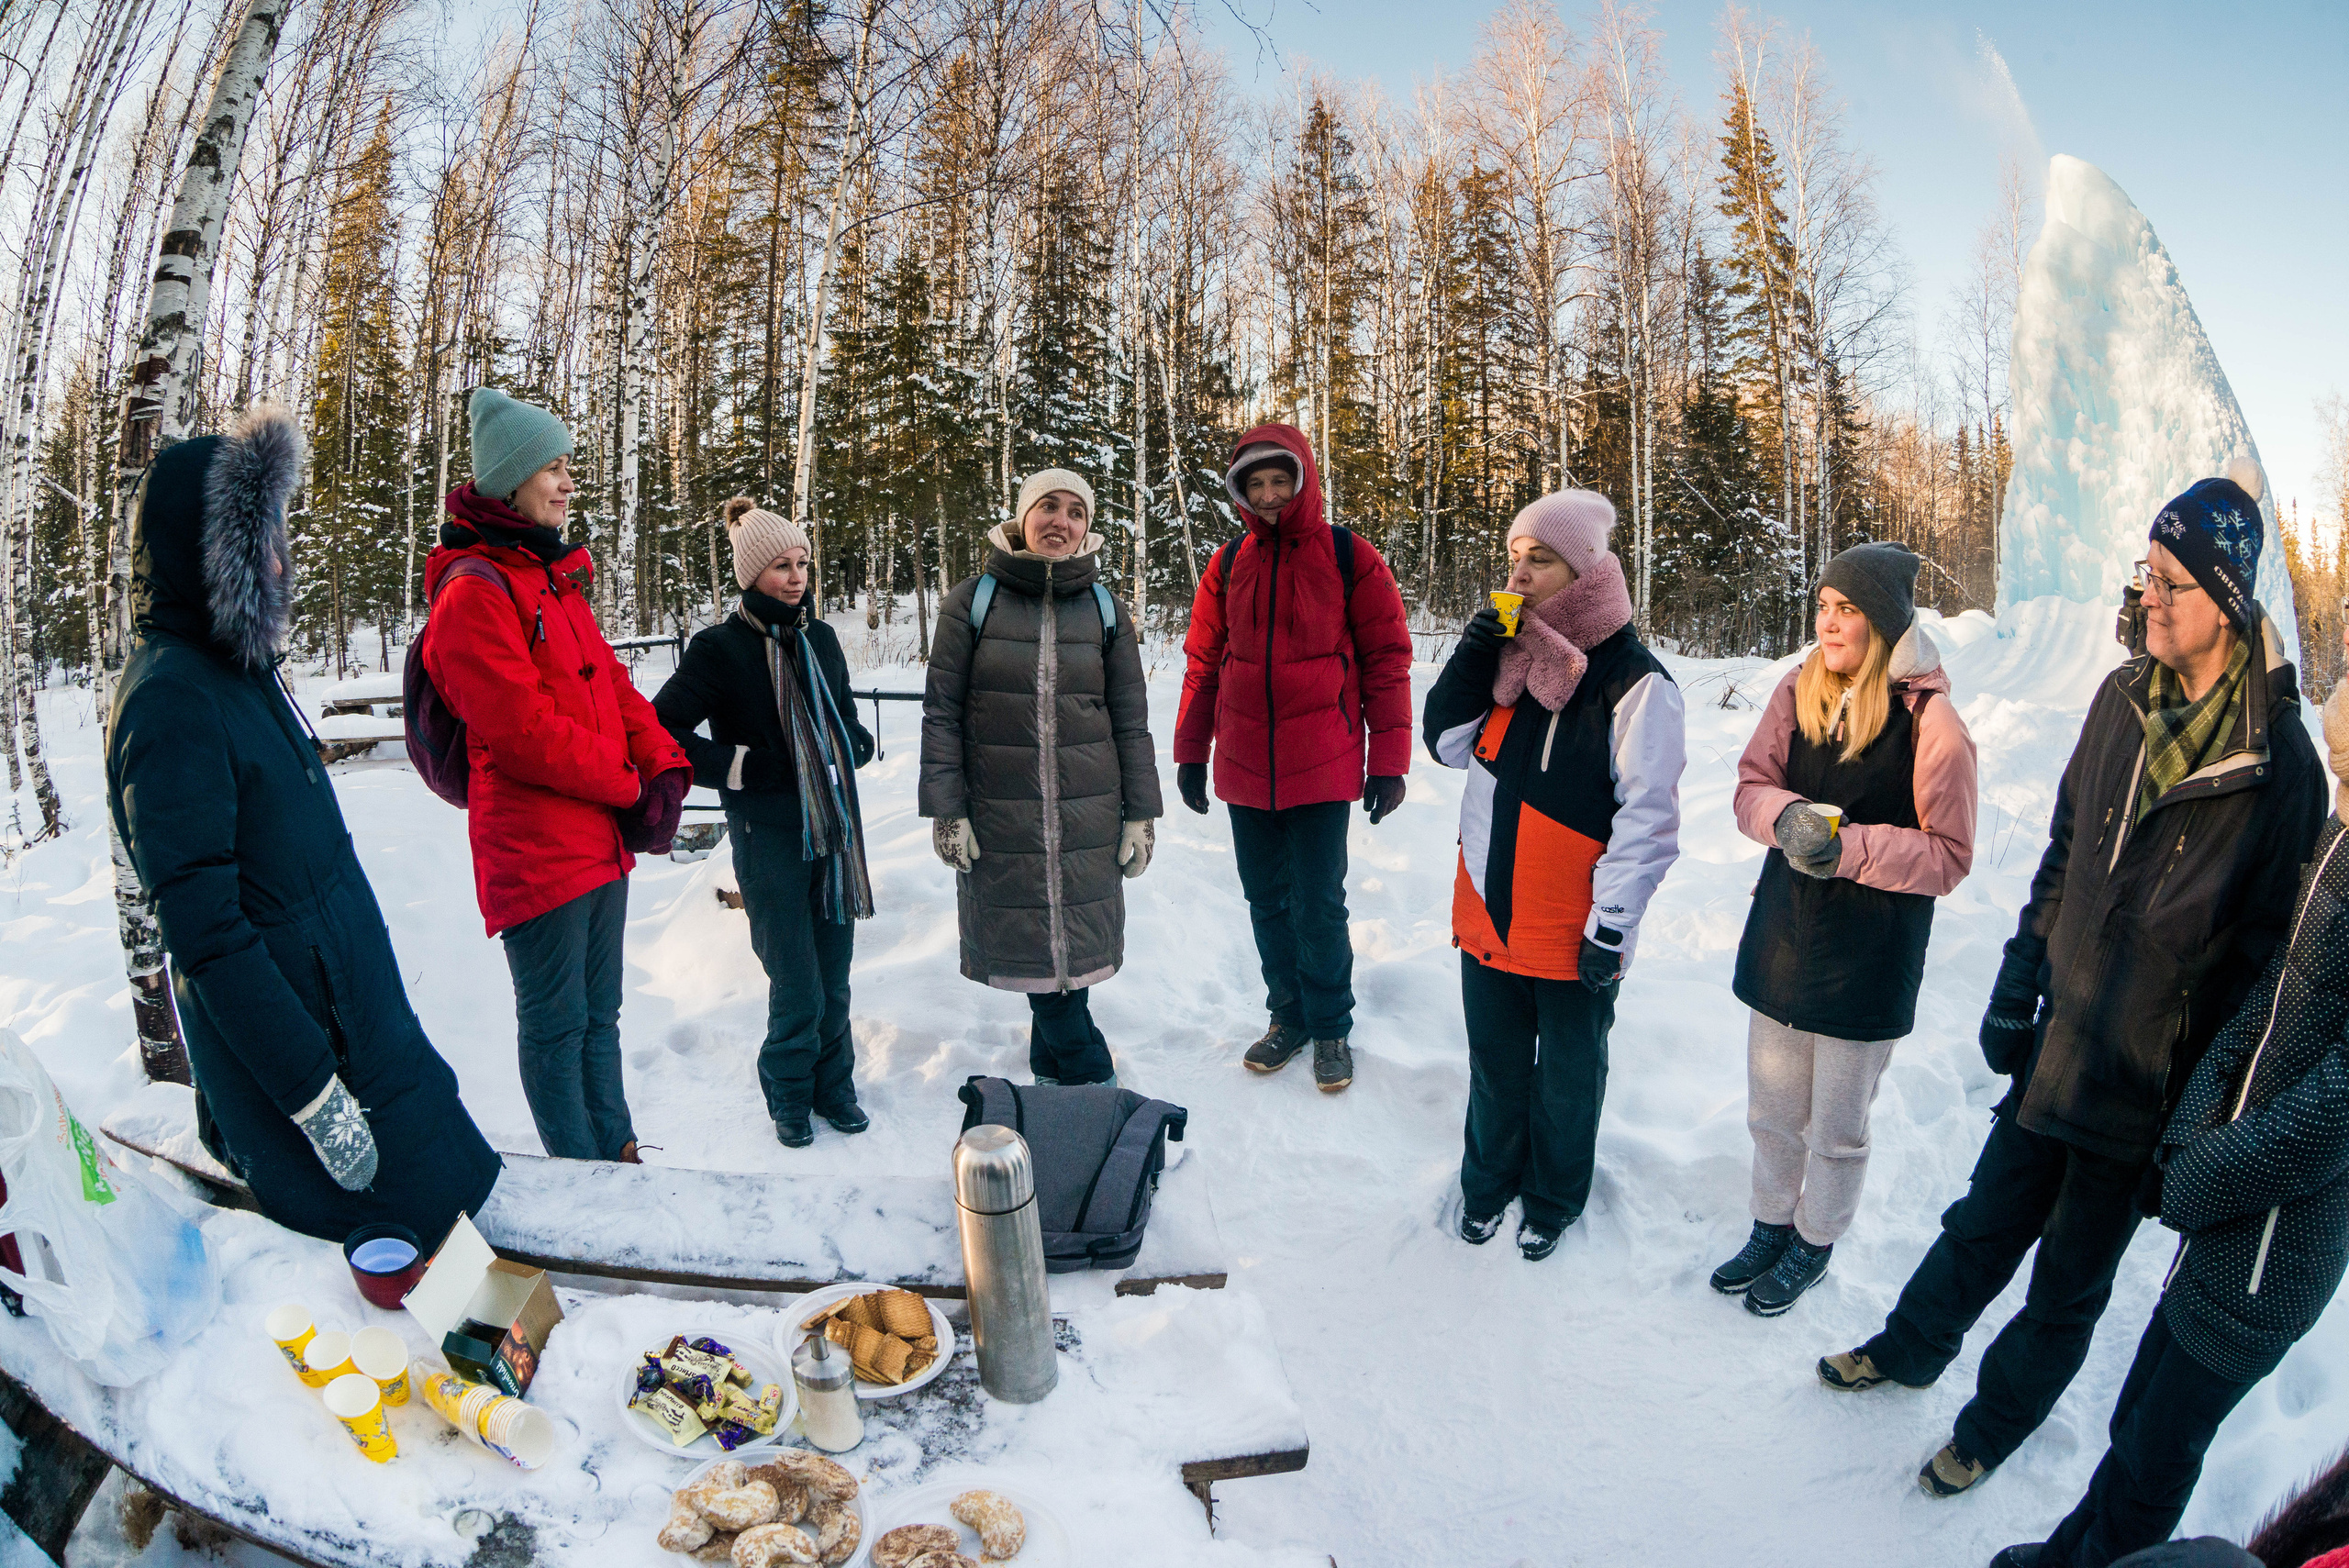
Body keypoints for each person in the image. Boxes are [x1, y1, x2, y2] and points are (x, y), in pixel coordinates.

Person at [1818, 467, 2324, 1502]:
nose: (2145, 598)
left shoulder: (2280, 766)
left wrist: (2198, 1111)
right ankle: (1909, 1345)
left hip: (2146, 1081)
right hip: (2064, 1036)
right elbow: (2063, 851)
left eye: (2169, 582)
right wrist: (2018, 977)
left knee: (2065, 1285)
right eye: (2143, 573)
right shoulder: (2121, 698)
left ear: (2226, 601)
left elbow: (2266, 967)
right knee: (1983, 1220)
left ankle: (1989, 1427)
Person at [106, 404, 501, 1246]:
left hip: (350, 1019)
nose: (282, 559)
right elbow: (207, 936)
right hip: (307, 1063)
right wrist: (315, 1096)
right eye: (261, 541)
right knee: (410, 1238)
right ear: (207, 555)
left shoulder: (231, 668)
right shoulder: (170, 699)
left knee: (453, 1196)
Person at [1991, 668, 2349, 1568]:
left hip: (2275, 1246)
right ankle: (2074, 1548)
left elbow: (2334, 1107)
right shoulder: (2342, 836)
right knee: (2136, 1413)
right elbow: (2265, 1003)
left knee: (2158, 1449)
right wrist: (2191, 1128)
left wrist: (2200, 1171)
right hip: (2230, 1204)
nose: (2334, 770)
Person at [423, 387, 691, 1162]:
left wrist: (664, 762)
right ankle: (581, 1179)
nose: (568, 481)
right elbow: (525, 734)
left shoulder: (549, 576)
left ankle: (618, 1150)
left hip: (597, 841)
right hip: (536, 851)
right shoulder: (474, 591)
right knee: (555, 1023)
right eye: (554, 466)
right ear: (510, 479)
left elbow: (608, 681)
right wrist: (629, 786)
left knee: (600, 1016)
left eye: (569, 464)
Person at [1711, 543, 1978, 1316]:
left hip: (1869, 954)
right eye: (1824, 605)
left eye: (1848, 609)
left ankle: (1814, 1239)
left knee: (1835, 1126)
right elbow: (1750, 788)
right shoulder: (1796, 689)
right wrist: (1785, 816)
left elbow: (1950, 855)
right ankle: (1769, 1225)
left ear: (1885, 623)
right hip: (1785, 940)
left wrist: (1847, 847)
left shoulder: (1933, 722)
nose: (1828, 622)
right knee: (1772, 1111)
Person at [1423, 492, 1685, 1261]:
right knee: (1496, 1067)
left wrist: (1612, 929)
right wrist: (1476, 648)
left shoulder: (1637, 683)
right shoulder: (1510, 656)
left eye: (1540, 558)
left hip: (1574, 929)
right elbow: (1442, 742)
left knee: (1569, 1079)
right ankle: (1487, 1183)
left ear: (1584, 569)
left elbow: (1649, 821)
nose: (1521, 571)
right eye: (1515, 555)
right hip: (1489, 912)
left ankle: (1554, 1197)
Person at [1173, 425, 1414, 1092]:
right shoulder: (1226, 564)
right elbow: (1202, 665)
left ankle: (1332, 1023)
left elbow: (1387, 661)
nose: (1271, 494)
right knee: (1265, 901)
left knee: (1317, 903)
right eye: (1257, 484)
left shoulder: (1348, 556)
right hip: (1245, 768)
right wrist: (1192, 751)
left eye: (1281, 480)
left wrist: (1388, 760)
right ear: (1241, 492)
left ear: (1303, 480)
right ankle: (1290, 1016)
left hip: (1324, 764)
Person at [919, 470, 1162, 1085]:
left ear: (1087, 528)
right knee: (1042, 966)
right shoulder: (972, 601)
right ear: (1022, 519)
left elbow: (1132, 721)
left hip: (1088, 817)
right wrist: (948, 809)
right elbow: (942, 712)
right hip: (1004, 819)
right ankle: (1093, 1084)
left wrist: (1141, 813)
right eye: (1047, 506)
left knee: (1063, 968)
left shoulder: (1106, 609)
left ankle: (1054, 1086)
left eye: (1075, 511)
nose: (1060, 520)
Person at [653, 498, 874, 1147]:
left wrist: (854, 742)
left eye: (802, 562)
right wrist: (740, 766)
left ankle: (835, 1087)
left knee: (834, 974)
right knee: (797, 980)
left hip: (830, 832)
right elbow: (661, 730)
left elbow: (846, 715)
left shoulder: (822, 639)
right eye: (781, 565)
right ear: (751, 574)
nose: (796, 576)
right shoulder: (720, 649)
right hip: (766, 836)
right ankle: (788, 1091)